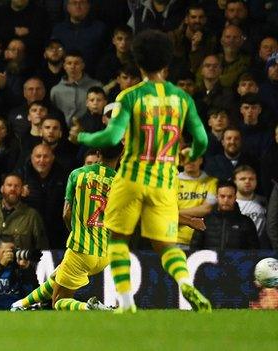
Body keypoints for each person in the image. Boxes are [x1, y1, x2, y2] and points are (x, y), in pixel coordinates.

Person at [76, 30, 211, 312]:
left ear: (138, 62)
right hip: (165, 180)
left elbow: (111, 139)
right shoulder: (182, 98)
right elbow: (202, 139)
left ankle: (126, 303)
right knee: (166, 245)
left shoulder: (130, 96)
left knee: (117, 239)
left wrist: (83, 138)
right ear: (166, 63)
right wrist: (192, 153)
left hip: (132, 178)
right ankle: (186, 283)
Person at [12, 144, 123, 311]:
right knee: (58, 275)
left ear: (98, 153)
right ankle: (19, 305)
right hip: (105, 254)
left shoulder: (78, 174)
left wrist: (78, 232)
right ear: (121, 155)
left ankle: (90, 307)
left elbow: (66, 213)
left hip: (81, 248)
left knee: (58, 302)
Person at [0, 173, 48, 250]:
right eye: (9, 185)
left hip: (19, 263)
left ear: (22, 190)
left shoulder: (32, 215)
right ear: (2, 188)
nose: (12, 189)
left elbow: (42, 248)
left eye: (16, 186)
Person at [190, 180, 258, 250]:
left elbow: (253, 251)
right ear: (217, 197)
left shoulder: (246, 222)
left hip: (237, 260)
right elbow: (195, 249)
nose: (226, 200)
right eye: (222, 196)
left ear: (235, 198)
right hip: (210, 260)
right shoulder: (205, 221)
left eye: (230, 197)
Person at [0, 234, 39, 310]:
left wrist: (26, 270)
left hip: (16, 310)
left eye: (11, 251)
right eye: (5, 252)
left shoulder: (20, 267)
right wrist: (1, 266)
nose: (9, 255)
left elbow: (32, 292)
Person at [177, 156, 218, 249]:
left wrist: (177, 213)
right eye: (187, 158)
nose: (190, 161)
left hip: (204, 239)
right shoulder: (171, 182)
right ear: (181, 161)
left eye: (194, 157)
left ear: (201, 160)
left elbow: (206, 209)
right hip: (176, 239)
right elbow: (166, 212)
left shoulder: (212, 182)